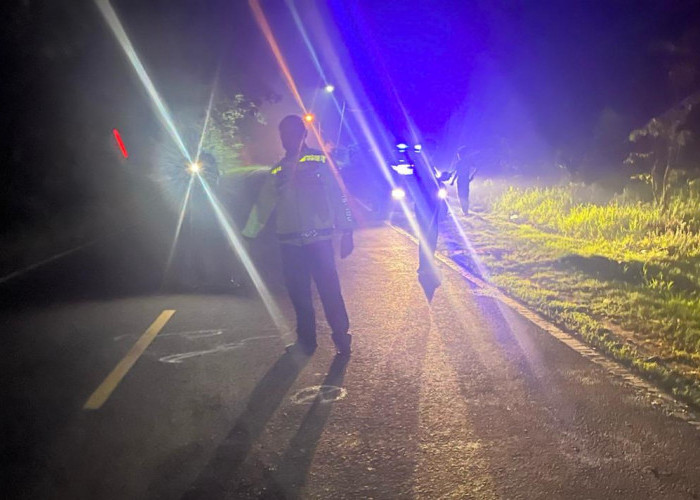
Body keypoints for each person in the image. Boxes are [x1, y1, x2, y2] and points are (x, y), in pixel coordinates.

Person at [242, 115, 355, 356]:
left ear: (303, 134)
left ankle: (341, 336)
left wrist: (347, 230)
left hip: (319, 242)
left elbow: (339, 197)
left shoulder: (320, 162)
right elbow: (263, 206)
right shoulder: (278, 170)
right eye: (284, 134)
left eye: (293, 133)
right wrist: (249, 235)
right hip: (290, 243)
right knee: (299, 294)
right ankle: (306, 340)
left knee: (329, 291)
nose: (288, 138)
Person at [453, 146, 478, 215]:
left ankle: (465, 210)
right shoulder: (463, 162)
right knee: (463, 195)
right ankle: (465, 210)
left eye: (459, 154)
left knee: (463, 195)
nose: (458, 156)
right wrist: (472, 176)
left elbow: (457, 173)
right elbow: (457, 173)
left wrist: (472, 176)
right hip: (464, 180)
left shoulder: (463, 162)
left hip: (463, 181)